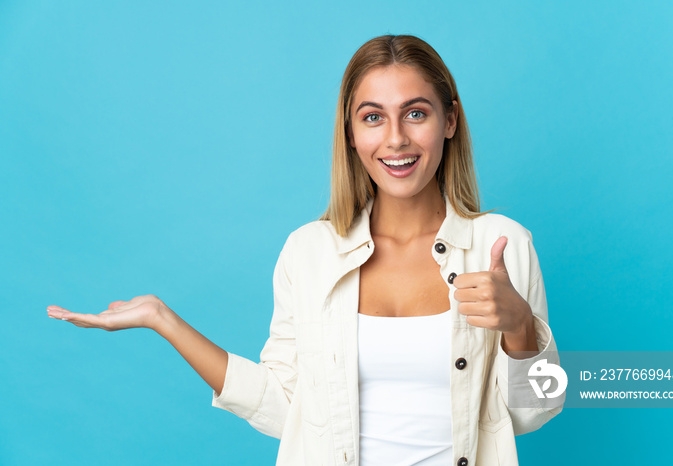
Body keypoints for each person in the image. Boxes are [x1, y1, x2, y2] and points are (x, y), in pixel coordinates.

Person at [48, 34, 563, 466]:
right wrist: (164, 320)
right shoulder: (309, 253)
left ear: (449, 122)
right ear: (351, 131)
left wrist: (520, 327)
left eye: (416, 113)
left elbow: (542, 407)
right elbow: (283, 406)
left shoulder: (502, 244)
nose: (396, 138)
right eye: (372, 117)